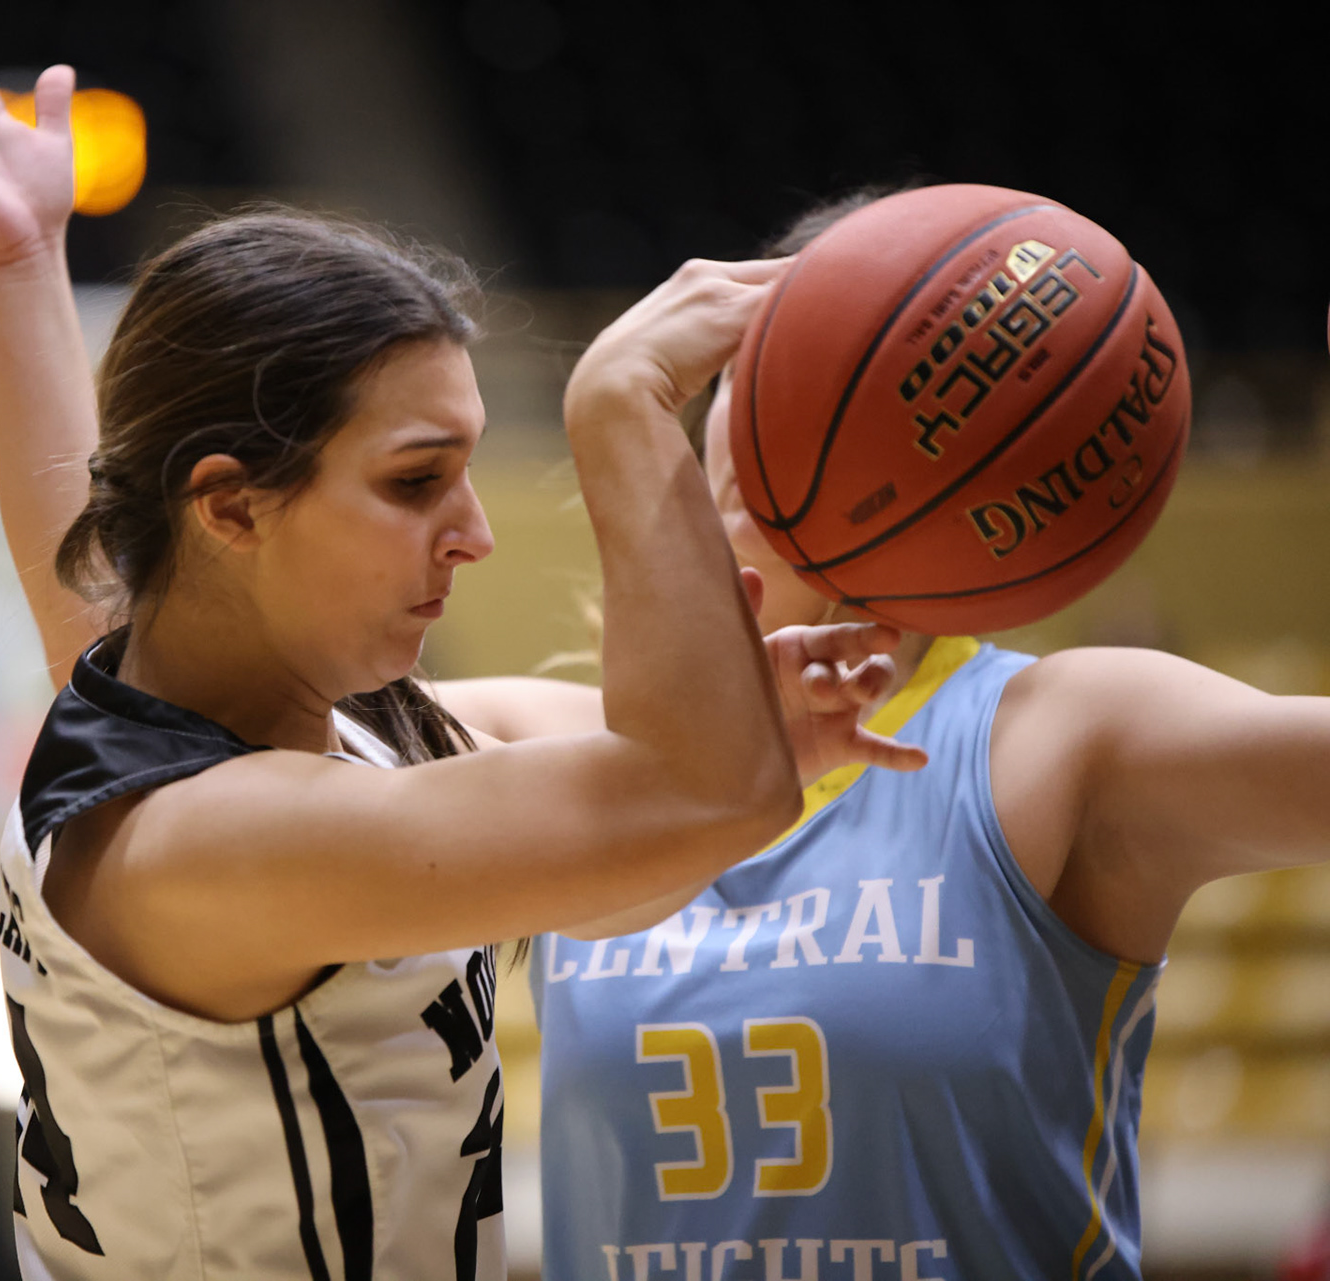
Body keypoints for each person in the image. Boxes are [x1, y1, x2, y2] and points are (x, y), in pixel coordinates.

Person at [0, 4, 924, 1276]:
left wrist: (19, 258)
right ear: (231, 506)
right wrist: (621, 409)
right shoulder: (204, 845)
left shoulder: (217, 713)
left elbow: (664, 827)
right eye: (417, 483)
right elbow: (698, 798)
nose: (473, 537)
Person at [510, 190, 1330, 1281]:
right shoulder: (537, 743)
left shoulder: (1065, 736)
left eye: (843, 369)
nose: (790, 409)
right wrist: (608, 404)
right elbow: (222, 789)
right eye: (771, 363)